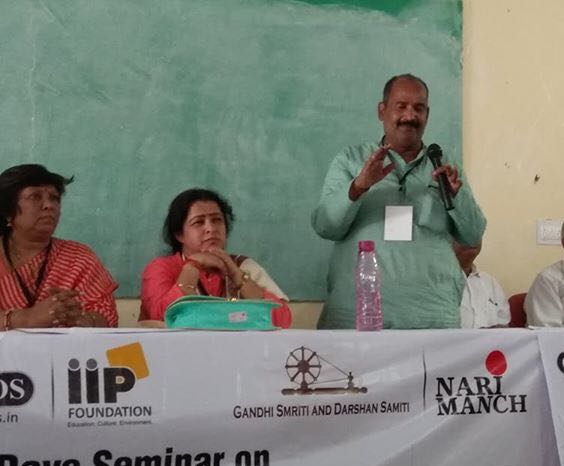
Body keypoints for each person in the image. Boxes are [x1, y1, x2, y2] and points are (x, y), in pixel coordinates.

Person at [311, 74, 486, 329]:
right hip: (357, 316)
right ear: (382, 111)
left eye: (419, 108)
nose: (410, 116)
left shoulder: (444, 164)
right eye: (401, 106)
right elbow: (325, 226)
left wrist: (457, 198)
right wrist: (359, 186)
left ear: (427, 114)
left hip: (433, 316)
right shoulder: (352, 159)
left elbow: (473, 235)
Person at [140, 188, 292, 327]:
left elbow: (282, 320)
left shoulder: (244, 265)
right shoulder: (161, 268)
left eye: (217, 220)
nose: (211, 228)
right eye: (199, 222)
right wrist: (193, 266)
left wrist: (236, 275)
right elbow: (161, 318)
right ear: (179, 234)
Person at [0, 164, 118, 330]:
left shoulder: (79, 258)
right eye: (35, 197)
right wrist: (27, 319)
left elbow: (108, 316)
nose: (49, 205)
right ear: (7, 211)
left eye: (54, 198)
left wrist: (80, 319)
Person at [453, 241, 509, 328]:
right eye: (465, 235)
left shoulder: (490, 282)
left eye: (477, 235)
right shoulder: (434, 283)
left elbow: (504, 325)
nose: (472, 239)